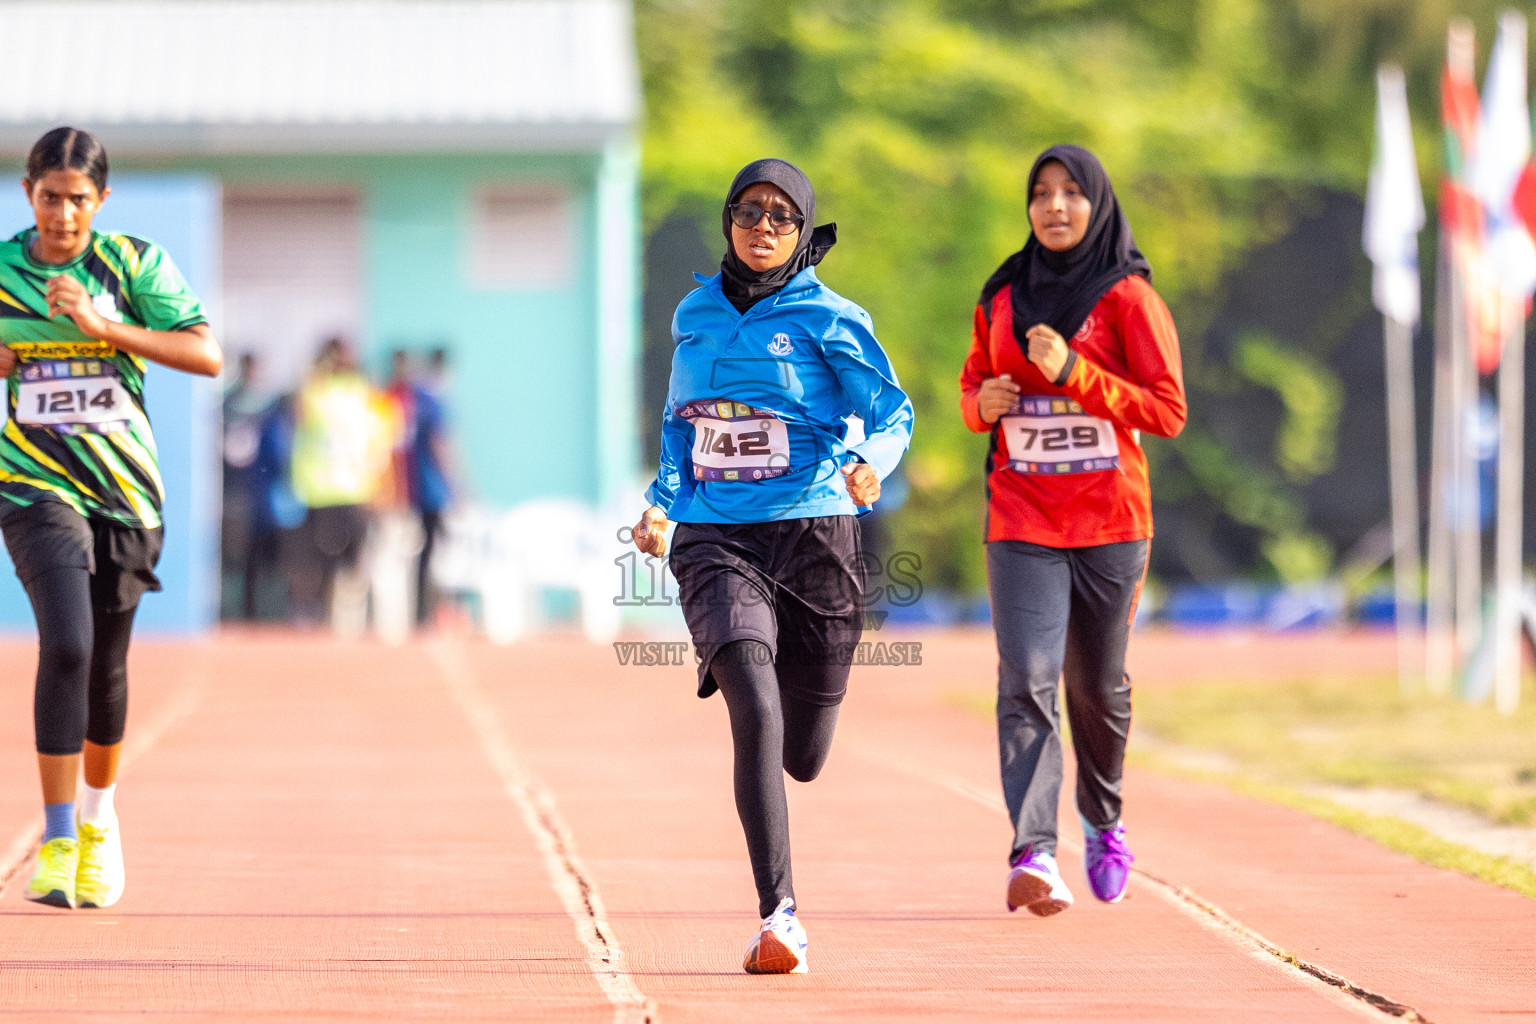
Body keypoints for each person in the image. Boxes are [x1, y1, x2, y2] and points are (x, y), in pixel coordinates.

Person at [632, 158, 913, 974]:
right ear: (727, 220)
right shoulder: (694, 313)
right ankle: (779, 916)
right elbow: (684, 427)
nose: (763, 226)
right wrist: (660, 502)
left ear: (802, 232)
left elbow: (892, 410)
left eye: (781, 216)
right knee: (752, 699)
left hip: (818, 534)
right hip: (717, 537)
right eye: (749, 211)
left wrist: (872, 461)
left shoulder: (832, 317)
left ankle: (804, 715)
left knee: (804, 753)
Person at [960, 145, 1185, 915]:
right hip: (1021, 516)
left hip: (1110, 522)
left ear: (1097, 204)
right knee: (1025, 677)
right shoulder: (1000, 294)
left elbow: (1167, 409)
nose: (1054, 207)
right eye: (1040, 193)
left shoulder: (1128, 299)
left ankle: (1104, 820)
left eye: (1070, 194)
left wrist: (1074, 375)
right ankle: (1034, 851)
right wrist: (978, 404)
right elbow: (969, 385)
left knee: (1096, 688)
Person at [0, 127, 222, 909]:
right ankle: (56, 839)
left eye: (79, 200)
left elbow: (206, 353)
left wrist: (102, 328)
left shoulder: (132, 265)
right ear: (28, 192)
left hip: (124, 491)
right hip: (33, 484)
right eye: (50, 198)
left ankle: (97, 820)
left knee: (106, 663)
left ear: (103, 201)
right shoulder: (2, 271)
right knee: (65, 644)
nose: (63, 214)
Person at [288, 337, 396, 631]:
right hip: (325, 491)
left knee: (350, 566)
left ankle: (343, 621)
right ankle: (325, 618)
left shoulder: (359, 395)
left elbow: (380, 444)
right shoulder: (323, 393)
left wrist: (384, 488)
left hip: (350, 491)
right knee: (325, 564)